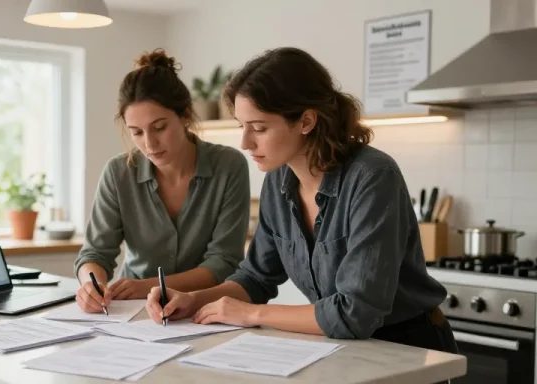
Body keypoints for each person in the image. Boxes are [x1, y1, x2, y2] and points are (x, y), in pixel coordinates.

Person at [145, 47, 458, 354]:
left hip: (408, 349)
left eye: (259, 128)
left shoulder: (372, 176)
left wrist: (251, 314)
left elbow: (355, 312)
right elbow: (256, 277)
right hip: (346, 350)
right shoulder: (277, 182)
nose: (245, 142)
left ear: (307, 121)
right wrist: (194, 299)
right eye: (242, 126)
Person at [74, 49, 251, 313]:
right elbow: (95, 254)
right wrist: (92, 284)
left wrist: (148, 285)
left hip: (206, 308)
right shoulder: (117, 173)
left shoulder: (229, 166)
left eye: (159, 128)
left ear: (185, 116)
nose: (149, 143)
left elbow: (223, 262)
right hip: (134, 310)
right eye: (136, 132)